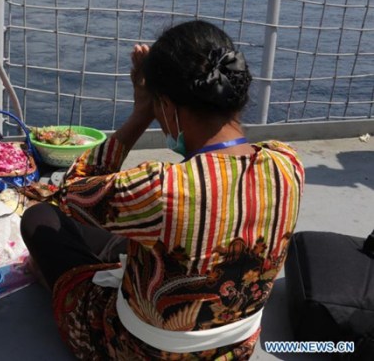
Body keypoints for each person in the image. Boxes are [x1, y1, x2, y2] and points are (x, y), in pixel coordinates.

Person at [21, 20, 304, 360]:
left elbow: (71, 195)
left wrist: (140, 113)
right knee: (151, 231)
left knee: (39, 218)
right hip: (234, 350)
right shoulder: (288, 163)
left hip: (136, 351)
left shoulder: (161, 188)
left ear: (166, 107)